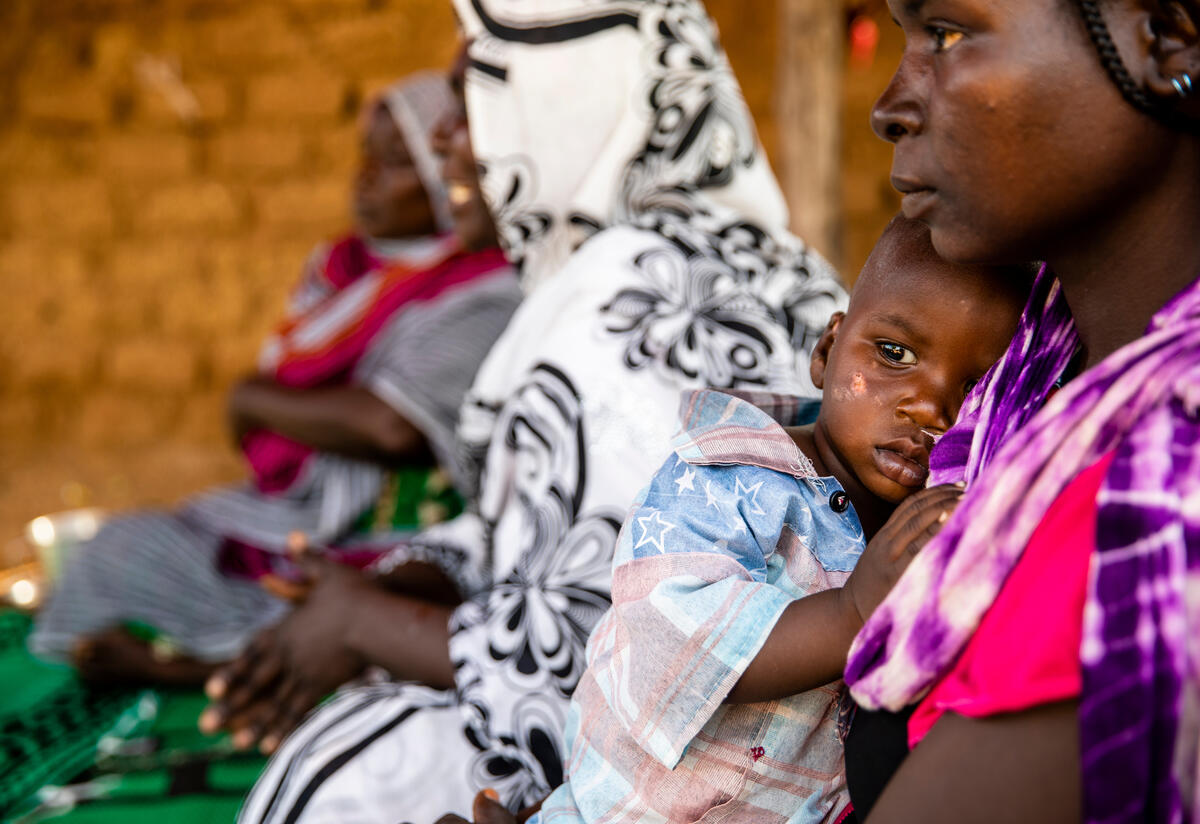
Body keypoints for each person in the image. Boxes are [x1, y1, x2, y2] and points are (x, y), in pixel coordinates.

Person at [218, 0, 848, 819]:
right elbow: (558, 534)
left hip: (680, 779)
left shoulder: (633, 285)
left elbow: (623, 646)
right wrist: (402, 581)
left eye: (475, 91)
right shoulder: (739, 256)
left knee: (351, 777)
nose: (447, 135)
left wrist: (364, 626)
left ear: (567, 104)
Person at [830, 0, 1200, 822]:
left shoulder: (1163, 495)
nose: (889, 106)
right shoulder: (1023, 368)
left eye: (949, 34)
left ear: (1167, 38)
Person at [528, 217, 1028, 824]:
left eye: (977, 388)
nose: (929, 406)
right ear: (826, 351)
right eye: (894, 354)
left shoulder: (937, 532)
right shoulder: (724, 474)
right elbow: (674, 639)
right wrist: (853, 611)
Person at [30, 72, 522, 685]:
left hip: (405, 532)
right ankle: (240, 656)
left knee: (370, 603)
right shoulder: (341, 271)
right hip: (293, 516)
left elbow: (392, 426)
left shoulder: (483, 287)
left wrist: (253, 398)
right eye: (366, 155)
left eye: (399, 161)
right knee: (120, 547)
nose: (367, 175)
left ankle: (209, 668)